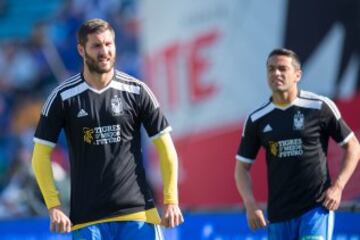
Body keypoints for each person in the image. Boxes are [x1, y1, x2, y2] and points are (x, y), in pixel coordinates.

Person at [31, 18, 184, 239]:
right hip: (87, 220)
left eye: (108, 44)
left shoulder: (137, 91)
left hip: (138, 215)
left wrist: (171, 200)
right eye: (96, 46)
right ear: (81, 50)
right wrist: (54, 206)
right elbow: (40, 155)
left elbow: (166, 147)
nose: (104, 51)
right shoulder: (62, 98)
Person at [234, 48, 360, 239]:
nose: (276, 73)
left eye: (283, 68)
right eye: (271, 69)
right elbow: (241, 169)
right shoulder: (257, 119)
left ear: (297, 75)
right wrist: (250, 205)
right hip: (278, 216)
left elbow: (353, 147)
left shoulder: (319, 106)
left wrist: (338, 187)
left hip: (316, 209)